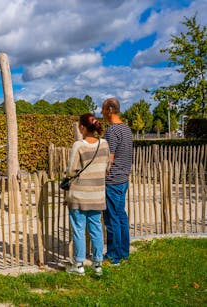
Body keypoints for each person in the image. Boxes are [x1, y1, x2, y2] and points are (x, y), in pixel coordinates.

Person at [65, 113, 110, 276]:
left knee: (78, 229)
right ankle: (97, 264)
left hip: (79, 194)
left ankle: (79, 265)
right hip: (97, 194)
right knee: (96, 228)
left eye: (79, 125)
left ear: (82, 127)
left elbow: (71, 170)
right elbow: (107, 166)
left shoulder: (78, 145)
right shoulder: (104, 144)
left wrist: (67, 173)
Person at [101, 97, 133, 265]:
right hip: (124, 179)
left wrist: (100, 174)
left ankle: (113, 256)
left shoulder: (112, 131)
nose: (102, 113)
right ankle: (124, 252)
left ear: (110, 110)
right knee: (121, 216)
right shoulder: (127, 129)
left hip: (113, 180)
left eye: (103, 109)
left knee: (112, 218)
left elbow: (109, 159)